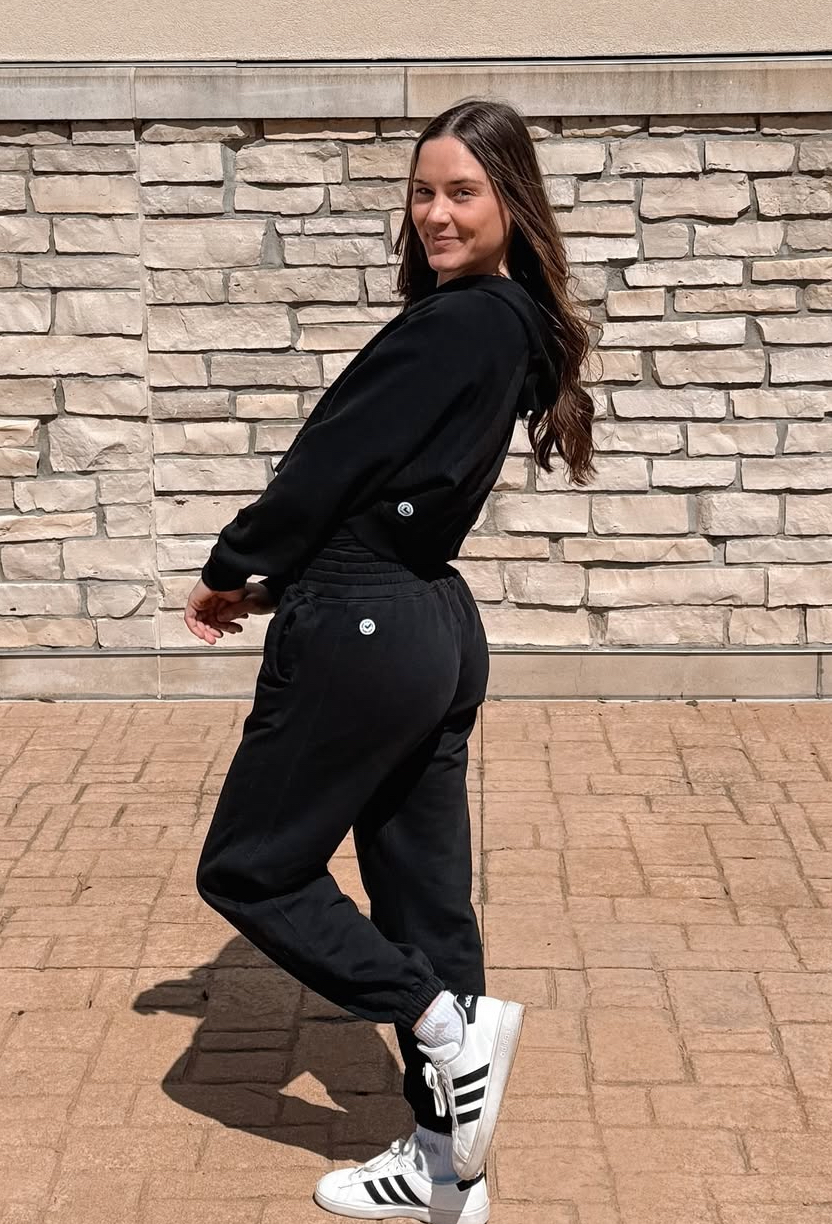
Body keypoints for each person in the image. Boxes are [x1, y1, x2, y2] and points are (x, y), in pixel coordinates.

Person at [184, 96, 597, 1224]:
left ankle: (437, 1019)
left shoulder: (454, 322)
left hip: (368, 629)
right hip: (429, 623)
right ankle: (440, 1170)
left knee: (252, 869)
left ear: (512, 201)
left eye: (462, 190)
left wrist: (235, 563)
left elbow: (332, 461)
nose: (434, 213)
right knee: (423, 897)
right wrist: (285, 583)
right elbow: (392, 495)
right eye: (422, 192)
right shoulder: (512, 324)